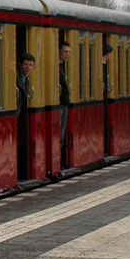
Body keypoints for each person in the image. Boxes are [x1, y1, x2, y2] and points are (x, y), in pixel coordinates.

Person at [58, 39, 72, 170]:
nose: (67, 55)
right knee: (59, 134)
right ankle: (58, 162)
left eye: (68, 52)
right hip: (60, 105)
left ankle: (61, 161)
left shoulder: (64, 67)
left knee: (62, 134)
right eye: (64, 52)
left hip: (64, 104)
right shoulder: (57, 67)